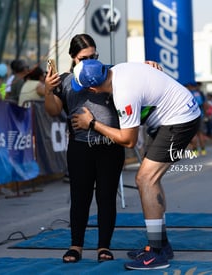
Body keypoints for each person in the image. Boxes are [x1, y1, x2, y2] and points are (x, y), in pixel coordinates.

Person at [70, 59, 201, 270]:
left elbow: (128, 140)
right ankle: (162, 245)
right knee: (152, 179)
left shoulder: (123, 93)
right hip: (181, 114)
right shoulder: (118, 70)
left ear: (92, 89)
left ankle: (157, 253)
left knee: (145, 178)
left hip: (179, 120)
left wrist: (92, 123)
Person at [44, 34, 126, 264]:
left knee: (106, 197)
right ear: (73, 58)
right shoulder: (65, 80)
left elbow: (132, 82)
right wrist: (48, 90)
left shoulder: (108, 74)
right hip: (80, 147)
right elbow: (52, 111)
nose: (90, 61)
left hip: (110, 146)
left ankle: (104, 247)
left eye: (94, 56)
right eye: (84, 58)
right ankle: (75, 246)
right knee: (80, 198)